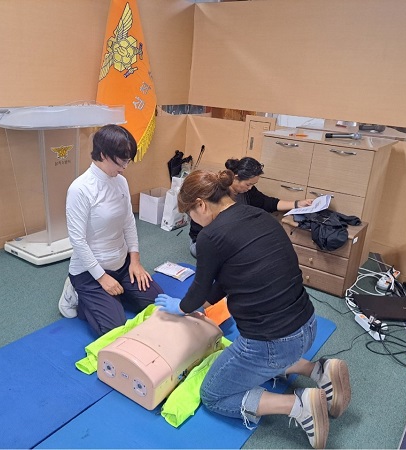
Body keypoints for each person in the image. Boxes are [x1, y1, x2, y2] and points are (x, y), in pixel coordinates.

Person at [155, 169, 351, 449]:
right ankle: (319, 370)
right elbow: (227, 279)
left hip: (273, 344)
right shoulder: (260, 215)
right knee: (254, 352)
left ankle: (298, 405)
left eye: (190, 214)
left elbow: (198, 288)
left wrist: (182, 307)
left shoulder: (210, 237)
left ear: (201, 204)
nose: (192, 221)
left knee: (213, 394)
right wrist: (202, 308)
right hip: (307, 324)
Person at [61, 124, 163, 336]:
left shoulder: (121, 182)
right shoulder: (80, 189)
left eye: (128, 161)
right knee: (115, 329)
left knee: (157, 304)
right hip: (90, 272)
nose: (125, 167)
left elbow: (128, 222)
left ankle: (114, 294)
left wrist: (135, 261)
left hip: (122, 264)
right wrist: (101, 278)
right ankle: (76, 293)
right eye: (121, 161)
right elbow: (77, 241)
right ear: (103, 154)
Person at [188, 156, 313, 258]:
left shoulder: (247, 192)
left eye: (253, 184)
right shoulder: (215, 193)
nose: (250, 188)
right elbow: (207, 230)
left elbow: (267, 202)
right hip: (203, 241)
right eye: (248, 184)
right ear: (235, 178)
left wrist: (297, 204)